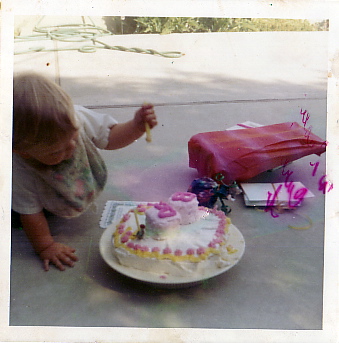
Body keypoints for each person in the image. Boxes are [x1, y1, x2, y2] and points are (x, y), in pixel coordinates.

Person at [12, 72, 157, 271]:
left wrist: (136, 127)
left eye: (73, 138)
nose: (70, 149)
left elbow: (111, 137)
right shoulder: (18, 168)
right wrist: (45, 245)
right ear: (22, 151)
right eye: (55, 151)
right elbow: (30, 212)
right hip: (24, 204)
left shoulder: (75, 119)